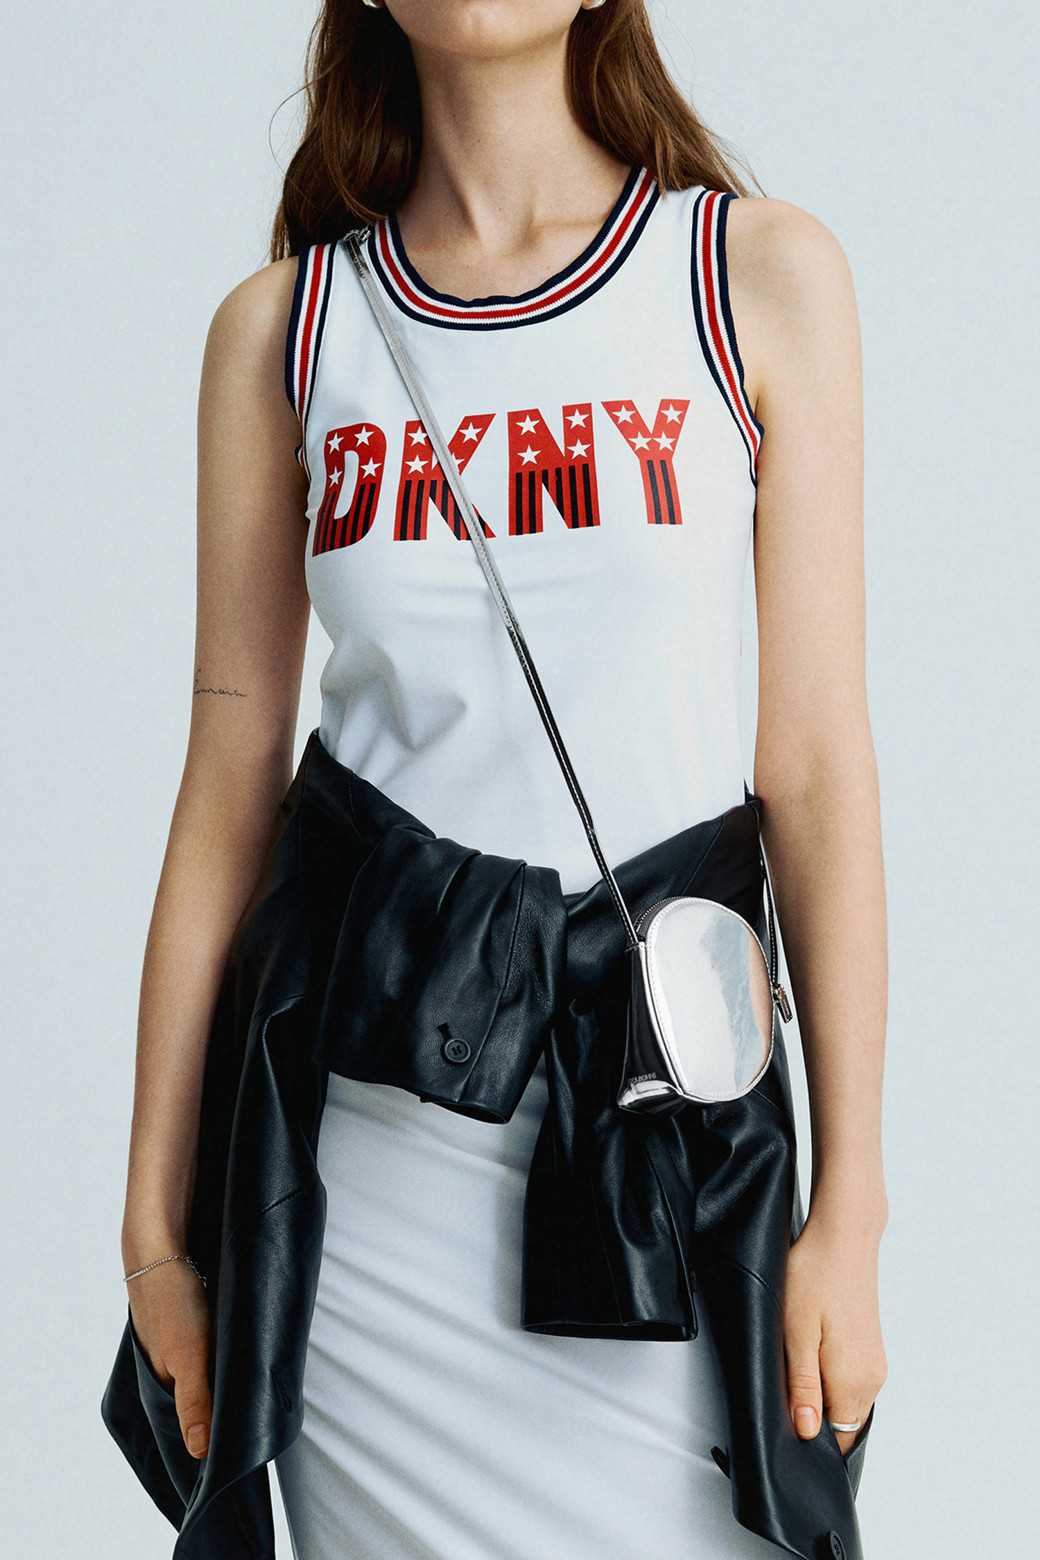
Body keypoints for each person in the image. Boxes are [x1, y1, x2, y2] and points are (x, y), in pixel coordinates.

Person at [113, 2, 888, 1557]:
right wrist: (153, 1232)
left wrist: (851, 1210)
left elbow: (813, 768)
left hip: (657, 1154)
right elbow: (226, 793)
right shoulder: (285, 334)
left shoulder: (752, 278)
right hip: (367, 1188)